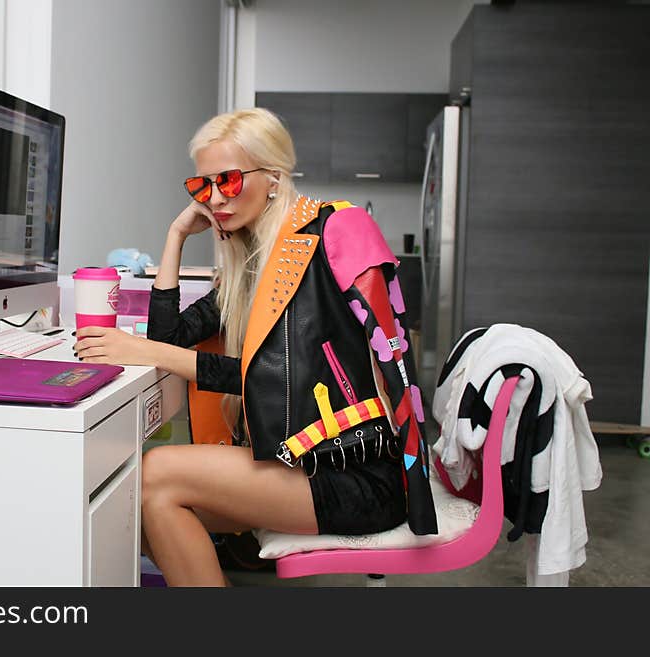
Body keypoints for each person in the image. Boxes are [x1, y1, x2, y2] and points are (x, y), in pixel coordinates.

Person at [73, 108, 437, 586]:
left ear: (273, 177)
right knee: (137, 503)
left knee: (152, 474)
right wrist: (176, 236)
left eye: (227, 179)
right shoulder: (253, 262)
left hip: (356, 472)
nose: (216, 198)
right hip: (304, 464)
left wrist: (149, 354)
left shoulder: (326, 236)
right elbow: (168, 338)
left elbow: (273, 378)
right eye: (202, 187)